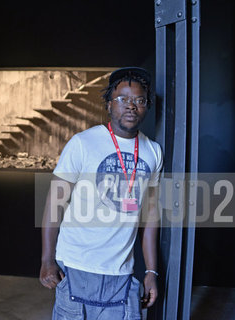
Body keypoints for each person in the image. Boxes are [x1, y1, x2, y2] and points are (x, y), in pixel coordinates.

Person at [39, 67, 163, 319]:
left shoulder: (153, 151)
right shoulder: (83, 143)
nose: (131, 106)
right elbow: (54, 204)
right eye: (123, 99)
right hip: (75, 266)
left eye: (139, 100)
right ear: (109, 104)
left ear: (146, 107)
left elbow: (150, 217)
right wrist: (47, 259)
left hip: (121, 271)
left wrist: (152, 271)